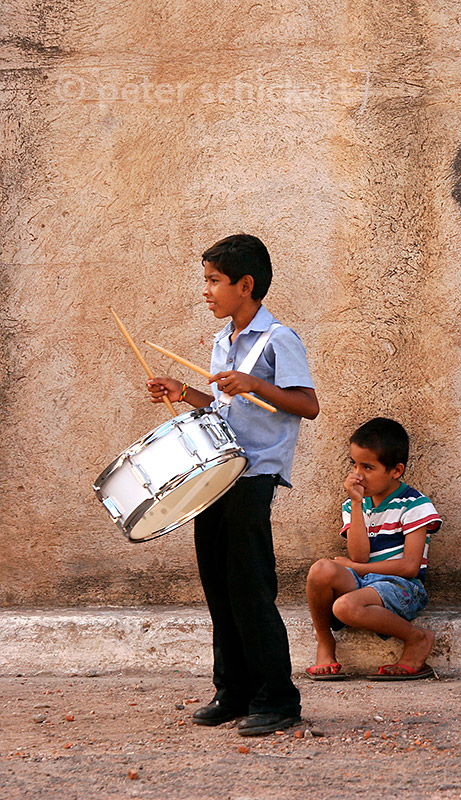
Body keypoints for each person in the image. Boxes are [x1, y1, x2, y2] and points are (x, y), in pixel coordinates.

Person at [148, 233, 319, 735]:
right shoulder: (223, 340)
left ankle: (278, 697)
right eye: (206, 280)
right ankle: (234, 690)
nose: (206, 290)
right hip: (216, 473)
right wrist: (185, 392)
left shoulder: (278, 339)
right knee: (219, 585)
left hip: (254, 474)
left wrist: (257, 384)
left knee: (249, 585)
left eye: (214, 281)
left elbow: (308, 405)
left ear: (245, 285)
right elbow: (225, 407)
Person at [305, 417, 441, 681]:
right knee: (320, 570)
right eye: (354, 464)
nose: (358, 475)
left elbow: (410, 567)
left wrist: (356, 568)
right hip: (364, 582)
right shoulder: (353, 505)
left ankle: (417, 638)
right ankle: (324, 641)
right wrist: (357, 504)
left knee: (344, 608)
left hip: (402, 586)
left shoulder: (414, 505)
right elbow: (359, 554)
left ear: (396, 471)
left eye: (367, 467)